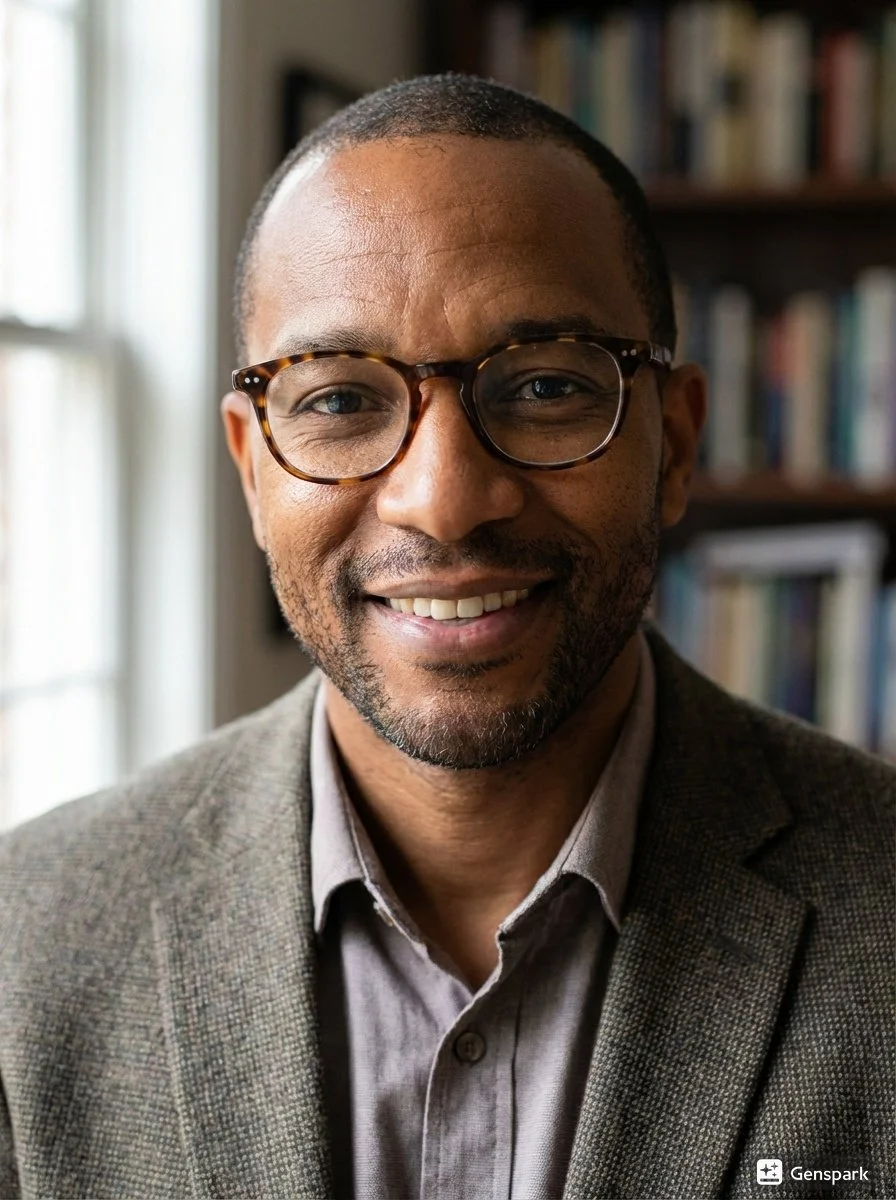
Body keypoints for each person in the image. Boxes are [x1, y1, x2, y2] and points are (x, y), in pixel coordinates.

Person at [0, 73, 892, 1200]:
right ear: (250, 465)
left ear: (672, 443)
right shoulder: (23, 947)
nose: (443, 498)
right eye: (335, 400)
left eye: (543, 387)